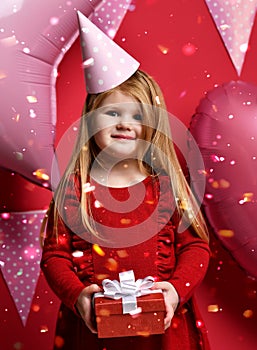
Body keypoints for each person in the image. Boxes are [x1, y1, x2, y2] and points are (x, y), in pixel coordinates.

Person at [40, 11, 210, 350]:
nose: (124, 123)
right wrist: (78, 296)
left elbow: (195, 246)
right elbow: (54, 256)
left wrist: (176, 290)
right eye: (112, 113)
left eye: (137, 115)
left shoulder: (165, 186)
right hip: (91, 334)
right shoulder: (75, 189)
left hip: (165, 332)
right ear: (90, 121)